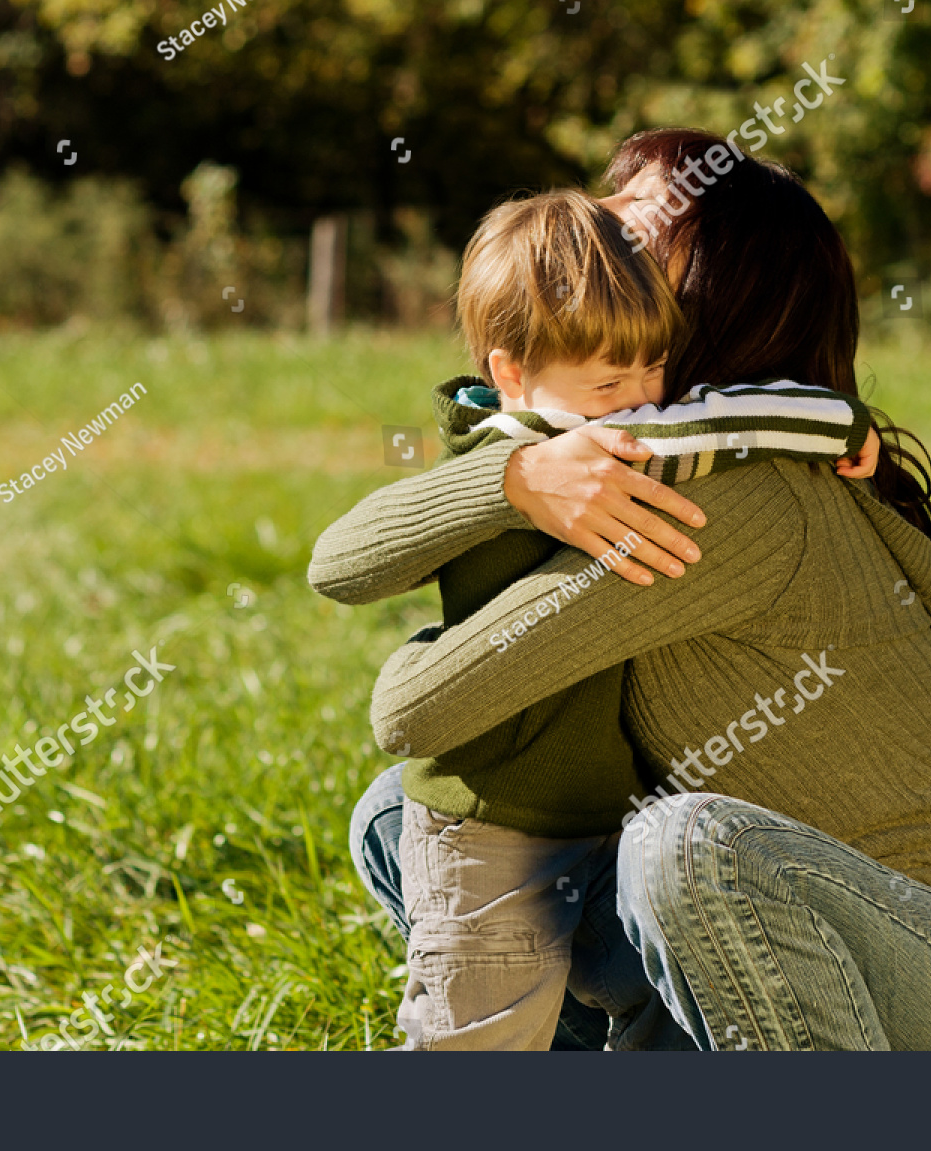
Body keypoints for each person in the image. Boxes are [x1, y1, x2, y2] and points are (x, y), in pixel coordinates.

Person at [319, 130, 931, 1051]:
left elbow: (411, 706)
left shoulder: (720, 503)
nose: (589, 267)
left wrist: (512, 492)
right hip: (796, 922)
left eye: (625, 250)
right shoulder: (735, 454)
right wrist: (517, 477)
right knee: (402, 816)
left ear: (701, 300)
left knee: (683, 847)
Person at [314, 184, 879, 1051]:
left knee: (672, 1006)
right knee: (480, 1039)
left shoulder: (634, 428)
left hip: (611, 827)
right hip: (490, 835)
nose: (642, 396)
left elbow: (752, 411)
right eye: (610, 379)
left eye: (653, 367)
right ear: (510, 374)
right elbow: (338, 562)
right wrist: (512, 484)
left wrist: (846, 427)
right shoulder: (504, 453)